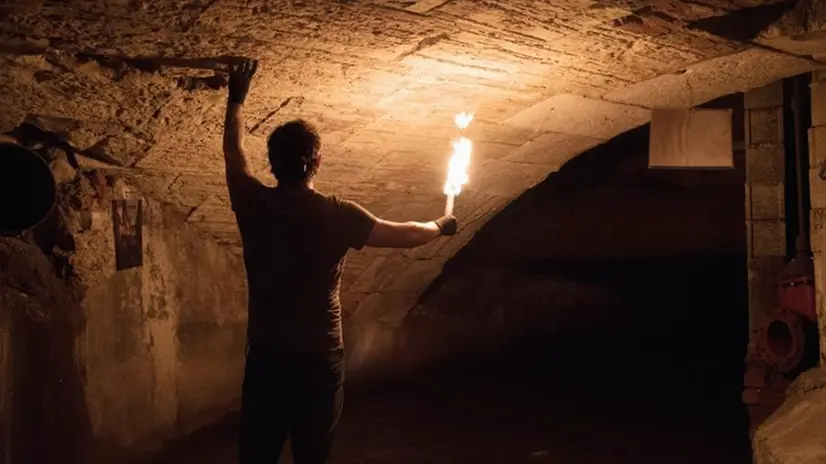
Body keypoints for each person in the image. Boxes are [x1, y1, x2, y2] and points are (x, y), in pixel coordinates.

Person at [222, 59, 459, 464]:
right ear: (317, 162)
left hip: (267, 358)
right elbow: (403, 235)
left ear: (273, 164)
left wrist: (237, 99)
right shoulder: (337, 214)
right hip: (318, 360)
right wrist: (439, 225)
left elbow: (233, 153)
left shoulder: (253, 203)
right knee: (313, 455)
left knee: (257, 455)